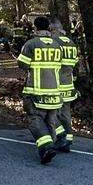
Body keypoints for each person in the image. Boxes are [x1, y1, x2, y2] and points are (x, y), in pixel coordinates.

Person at [17, 16, 65, 164]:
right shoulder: (58, 46)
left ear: (35, 28)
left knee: (34, 119)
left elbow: (23, 65)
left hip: (36, 92)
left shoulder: (31, 44)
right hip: (55, 93)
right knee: (50, 121)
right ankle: (48, 149)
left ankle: (46, 146)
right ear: (49, 28)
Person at [50, 20, 80, 153]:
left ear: (54, 30)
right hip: (68, 84)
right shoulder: (71, 42)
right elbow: (75, 64)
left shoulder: (55, 42)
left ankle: (58, 139)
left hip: (56, 84)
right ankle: (68, 140)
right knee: (66, 113)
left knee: (52, 113)